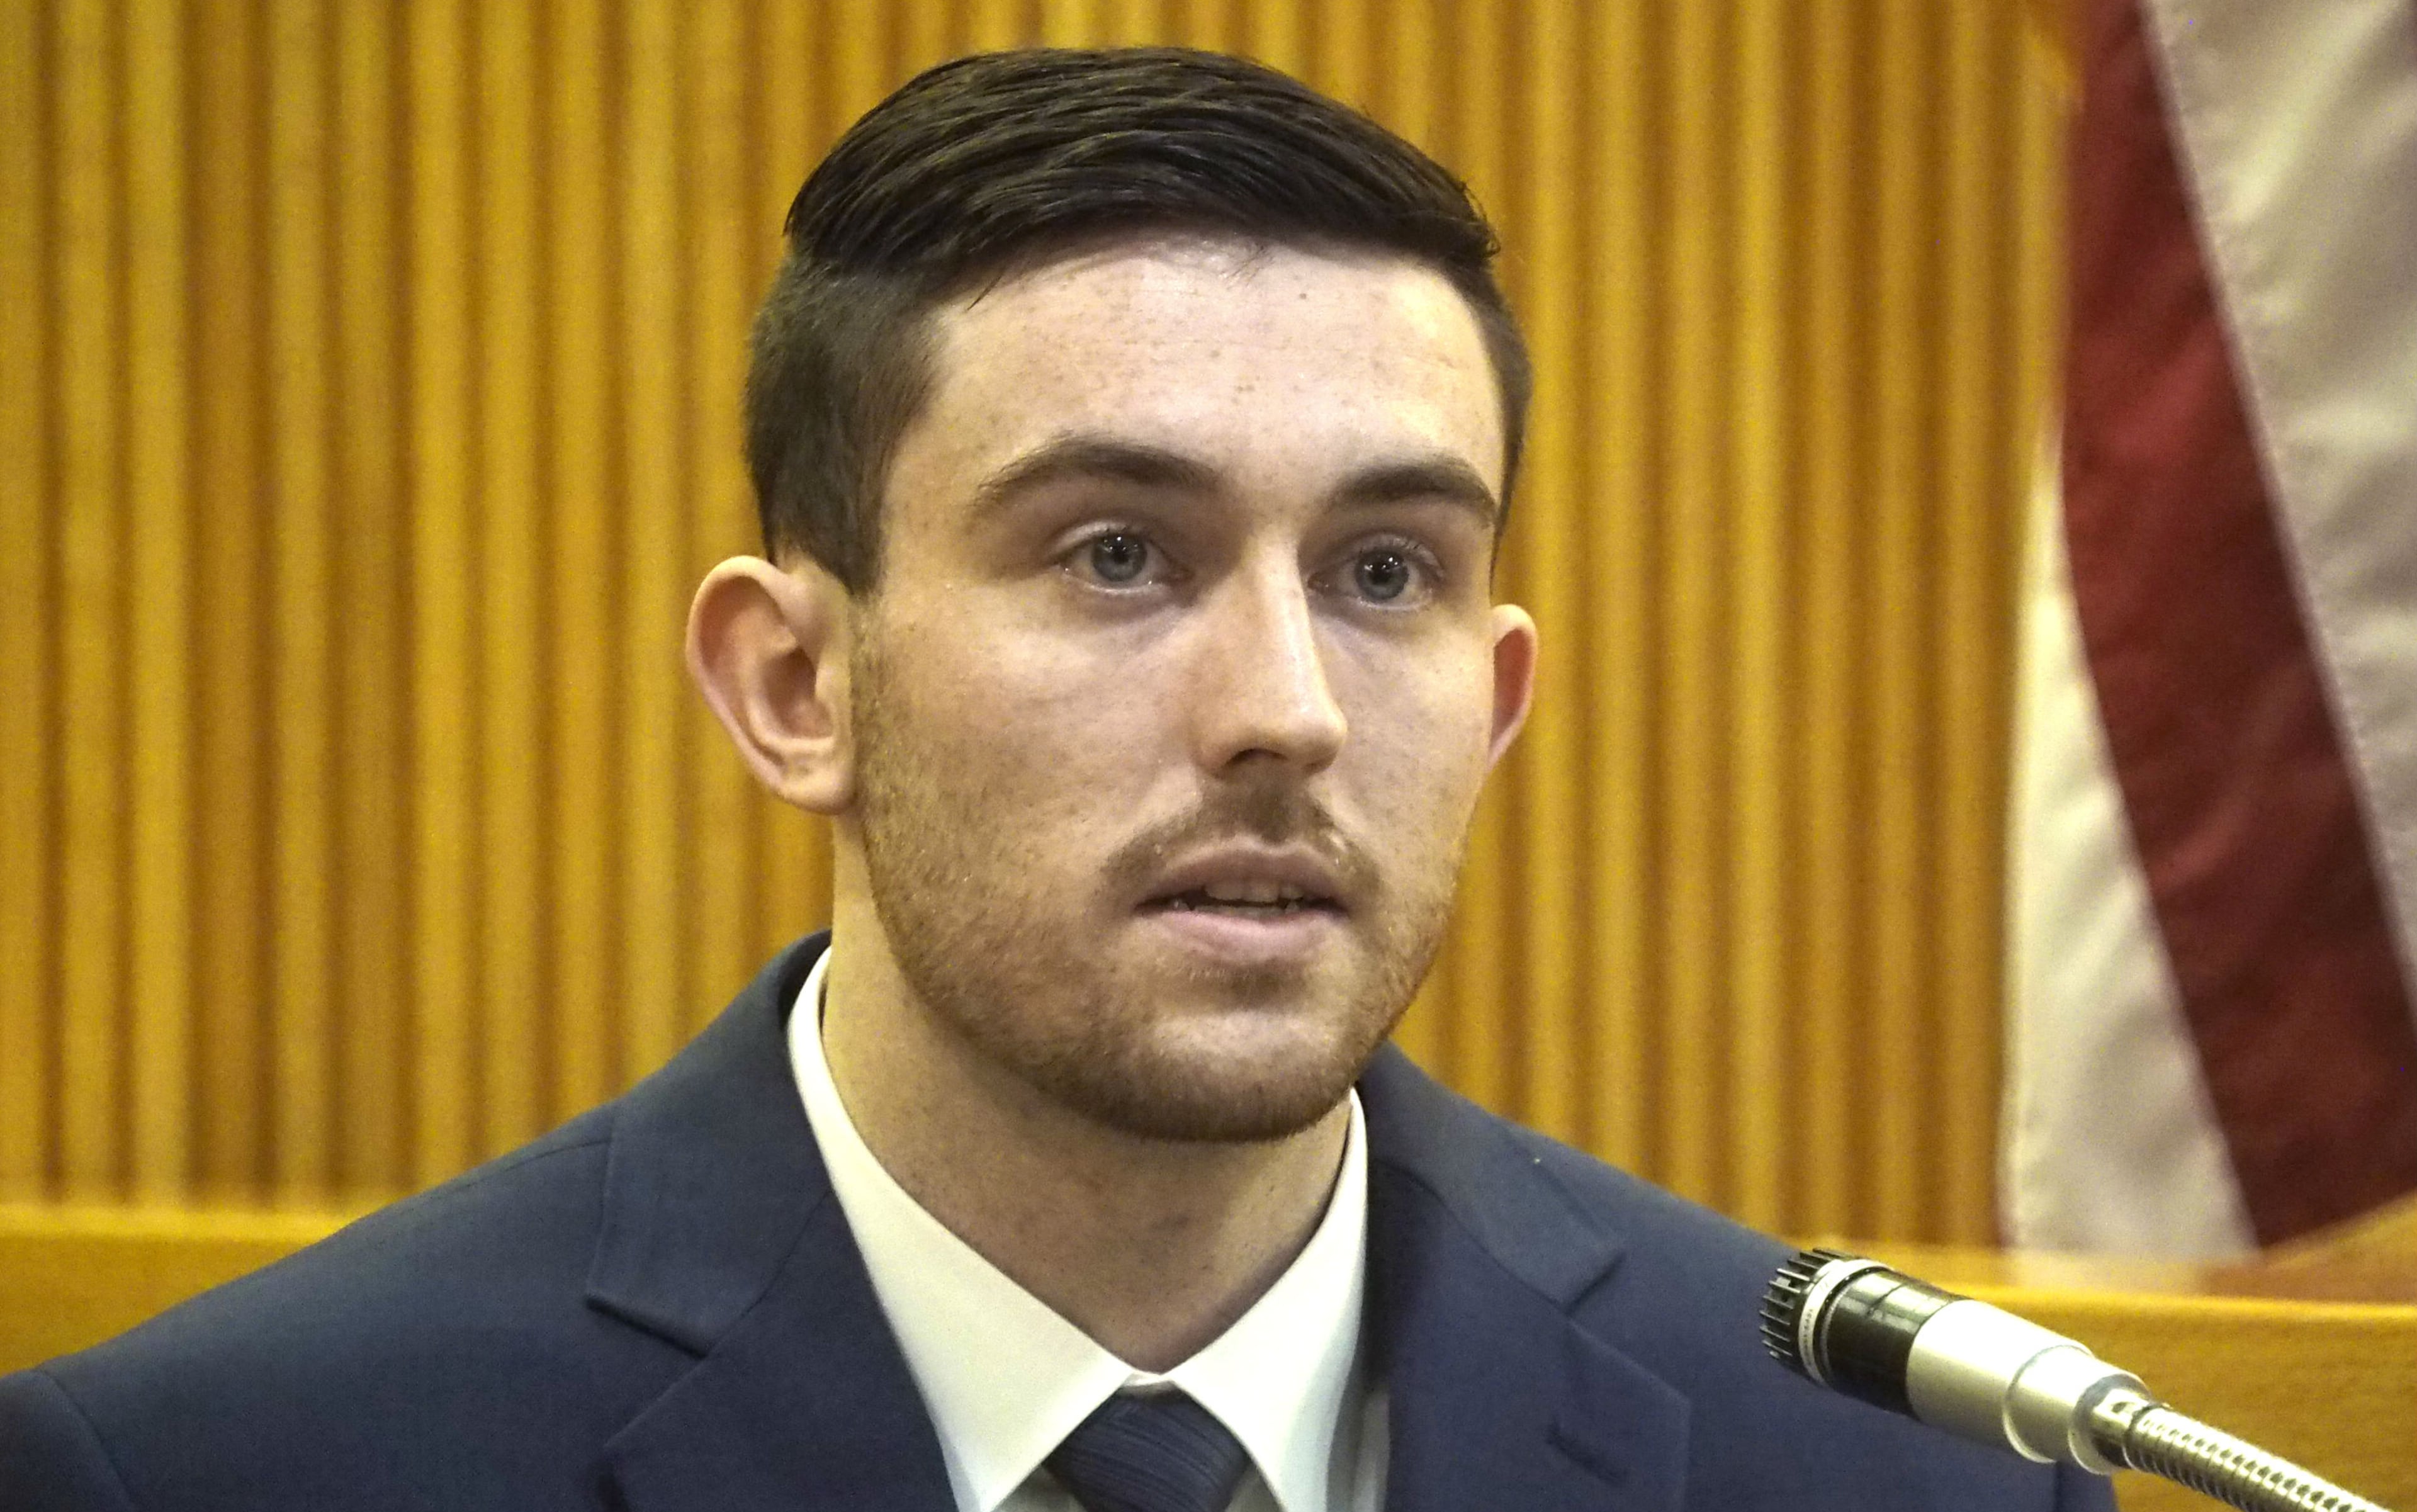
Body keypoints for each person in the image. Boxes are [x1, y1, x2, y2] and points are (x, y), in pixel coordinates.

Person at [0, 48, 2111, 1512]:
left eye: (1388, 570)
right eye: (1119, 553)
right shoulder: (224, 1467)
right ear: (793, 679)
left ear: (1500, 696)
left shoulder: (1902, 1465)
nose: (1282, 706)